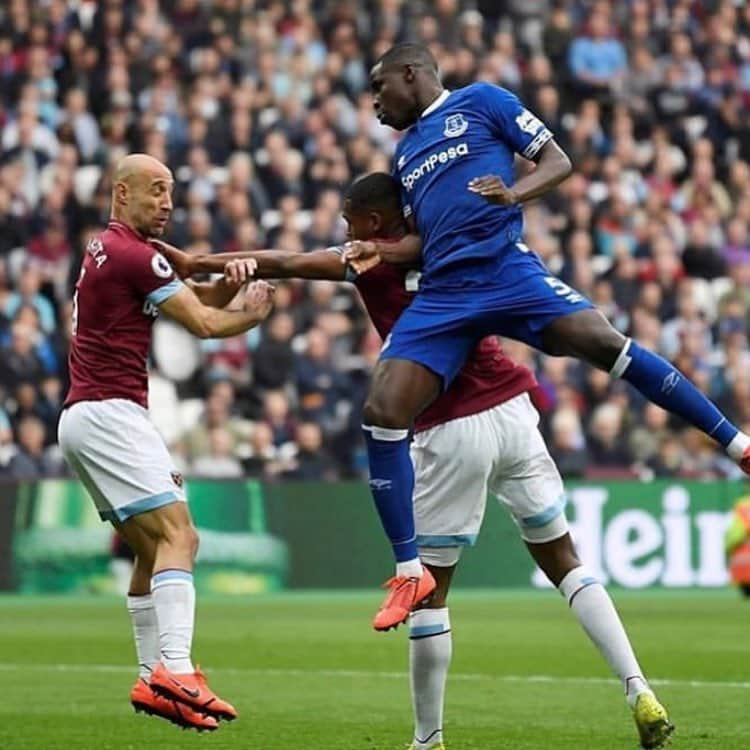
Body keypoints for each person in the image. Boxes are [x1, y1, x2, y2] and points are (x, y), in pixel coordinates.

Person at [161, 172, 673, 750]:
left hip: (451, 424)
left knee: (429, 591)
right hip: (512, 407)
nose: (344, 231)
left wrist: (197, 261)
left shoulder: (365, 258)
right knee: (564, 559)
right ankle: (638, 688)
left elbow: (284, 260)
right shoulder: (448, 240)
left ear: (374, 221)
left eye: (350, 220)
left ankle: (427, 740)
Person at [342, 41, 750, 632]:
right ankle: (409, 569)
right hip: (446, 294)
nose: (376, 102)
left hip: (506, 269)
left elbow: (558, 161)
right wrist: (373, 248)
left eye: (380, 88)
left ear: (412, 74)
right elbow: (421, 242)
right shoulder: (405, 154)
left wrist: (515, 193)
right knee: (382, 409)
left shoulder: (484, 102)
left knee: (605, 343)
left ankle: (737, 444)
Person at [57, 153, 275, 732]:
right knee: (182, 535)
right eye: (156, 191)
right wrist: (253, 312)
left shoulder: (106, 248)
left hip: (85, 415)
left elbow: (191, 303)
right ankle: (175, 669)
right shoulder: (136, 255)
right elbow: (203, 325)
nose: (168, 202)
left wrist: (221, 290)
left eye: (171, 192)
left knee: (152, 550)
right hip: (111, 413)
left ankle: (152, 675)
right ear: (121, 193)